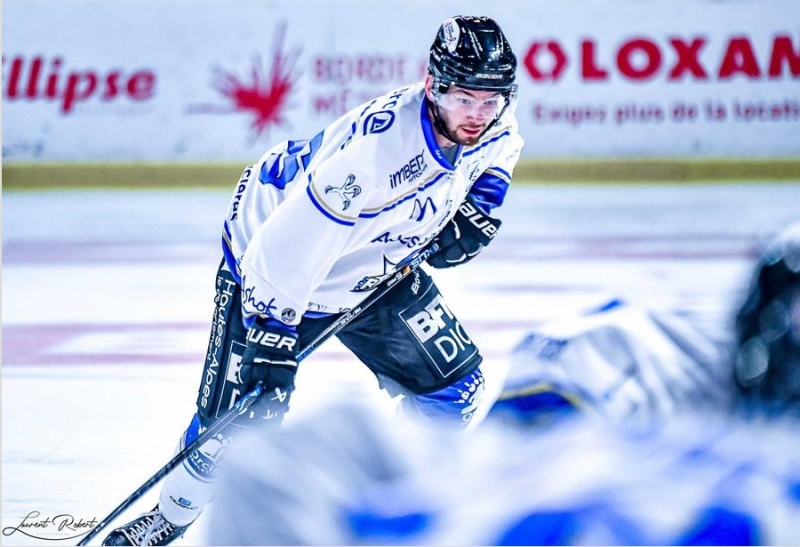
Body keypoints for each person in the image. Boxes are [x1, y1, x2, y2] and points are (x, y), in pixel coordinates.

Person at [101, 15, 523, 546]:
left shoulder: (493, 122)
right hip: (268, 261)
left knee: (454, 388)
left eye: (491, 99)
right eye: (466, 98)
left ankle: (392, 509)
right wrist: (272, 335)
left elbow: (503, 147)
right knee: (237, 428)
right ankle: (170, 517)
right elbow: (287, 245)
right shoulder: (374, 154)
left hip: (375, 265)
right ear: (432, 85)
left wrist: (484, 200)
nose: (479, 114)